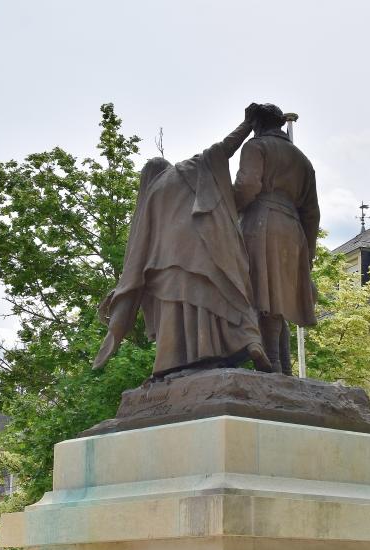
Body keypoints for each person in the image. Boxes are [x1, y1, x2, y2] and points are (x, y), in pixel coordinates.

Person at [93, 106, 271, 377]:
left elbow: (137, 255)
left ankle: (178, 362)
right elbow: (222, 150)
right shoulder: (186, 169)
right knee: (224, 298)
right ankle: (248, 340)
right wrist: (247, 125)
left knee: (179, 311)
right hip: (207, 249)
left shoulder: (150, 197)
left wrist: (124, 296)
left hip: (166, 266)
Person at [234, 103, 320, 374]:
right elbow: (312, 212)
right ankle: (282, 367)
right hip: (293, 232)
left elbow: (246, 187)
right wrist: (308, 252)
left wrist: (225, 205)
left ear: (256, 124)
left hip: (262, 223)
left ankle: (271, 364)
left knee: (262, 296)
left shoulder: (255, 147)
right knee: (277, 301)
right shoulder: (302, 159)